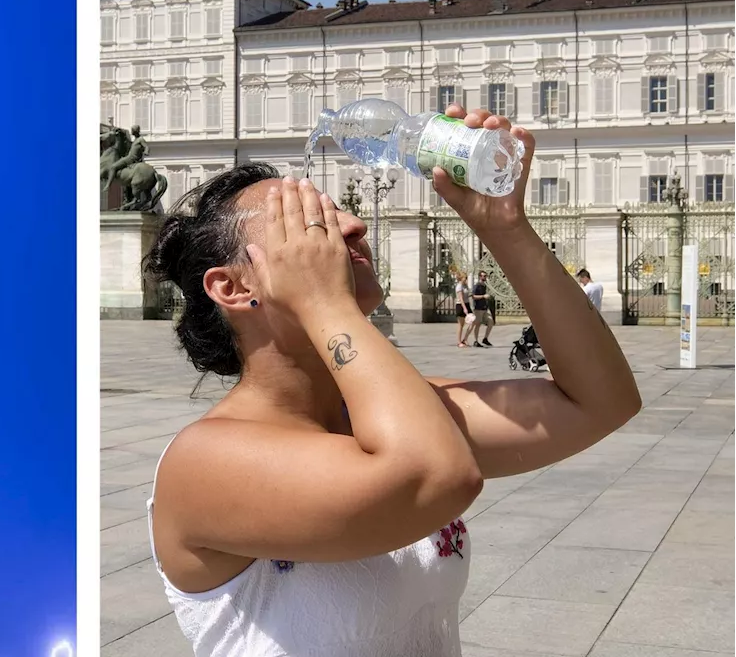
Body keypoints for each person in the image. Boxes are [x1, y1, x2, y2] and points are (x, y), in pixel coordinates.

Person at [140, 105, 640, 657]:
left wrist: (506, 230)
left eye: (337, 212)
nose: (352, 226)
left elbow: (600, 402)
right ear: (232, 288)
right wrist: (325, 300)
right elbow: (434, 477)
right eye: (308, 224)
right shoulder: (204, 462)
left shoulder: (398, 416)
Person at [469, 270, 495, 347]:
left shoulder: (484, 285)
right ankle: (476, 341)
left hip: (484, 308)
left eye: (485, 276)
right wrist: (483, 296)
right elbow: (473, 296)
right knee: (478, 324)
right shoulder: (477, 285)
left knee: (491, 322)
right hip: (478, 308)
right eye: (483, 276)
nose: (484, 277)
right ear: (480, 276)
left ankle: (485, 338)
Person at [453, 270, 472, 347]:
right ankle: (459, 341)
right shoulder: (459, 286)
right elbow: (460, 298)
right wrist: (464, 308)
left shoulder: (465, 285)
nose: (466, 279)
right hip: (461, 305)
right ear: (461, 278)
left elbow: (468, 295)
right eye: (465, 277)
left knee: (472, 322)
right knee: (461, 325)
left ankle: (465, 339)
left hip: (467, 304)